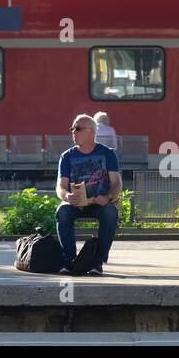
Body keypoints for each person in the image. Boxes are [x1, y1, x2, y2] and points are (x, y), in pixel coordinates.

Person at [55, 114, 122, 275]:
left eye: (77, 129)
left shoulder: (108, 153)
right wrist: (67, 197)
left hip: (100, 203)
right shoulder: (67, 156)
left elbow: (116, 183)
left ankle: (97, 262)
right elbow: (61, 186)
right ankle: (69, 260)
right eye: (72, 129)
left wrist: (108, 197)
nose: (73, 132)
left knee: (110, 212)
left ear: (91, 132)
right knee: (62, 211)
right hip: (76, 202)